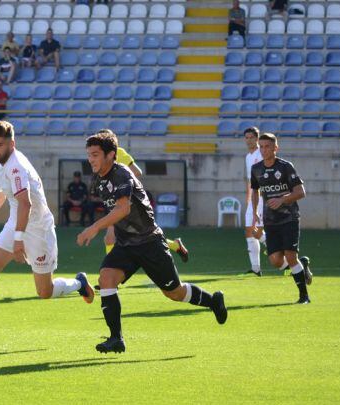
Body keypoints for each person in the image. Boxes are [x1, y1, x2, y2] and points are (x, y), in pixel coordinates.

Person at [77, 130, 227, 353]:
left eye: (95, 154)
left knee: (174, 293)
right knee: (106, 278)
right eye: (89, 155)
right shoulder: (98, 179)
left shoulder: (122, 174)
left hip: (149, 242)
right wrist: (110, 229)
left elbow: (123, 208)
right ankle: (116, 338)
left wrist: (95, 227)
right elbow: (114, 210)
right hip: (126, 244)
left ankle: (213, 301)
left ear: (111, 154)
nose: (91, 160)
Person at [0, 121, 94, 340]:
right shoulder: (0, 165)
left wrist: (19, 241)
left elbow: (26, 204)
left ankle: (79, 283)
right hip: (15, 223)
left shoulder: (16, 166)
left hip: (38, 230)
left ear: (12, 143)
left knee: (44, 292)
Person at [100, 134, 189, 262]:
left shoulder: (119, 152)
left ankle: (110, 270)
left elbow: (137, 172)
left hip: (128, 201)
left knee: (111, 237)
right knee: (140, 235)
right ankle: (175, 245)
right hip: (117, 201)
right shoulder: (102, 158)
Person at [250, 133, 312, 304]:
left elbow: (301, 192)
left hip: (289, 218)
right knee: (276, 261)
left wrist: (282, 199)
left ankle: (304, 296)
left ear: (275, 148)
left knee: (291, 257)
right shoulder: (256, 169)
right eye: (261, 146)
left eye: (267, 146)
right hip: (270, 220)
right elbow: (255, 190)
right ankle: (302, 267)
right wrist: (255, 211)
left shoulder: (286, 167)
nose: (263, 150)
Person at [242, 127, 265, 276]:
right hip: (254, 197)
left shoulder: (262, 154)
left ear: (257, 138)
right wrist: (248, 196)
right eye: (246, 137)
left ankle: (287, 260)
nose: (249, 140)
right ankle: (256, 268)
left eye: (251, 137)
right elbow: (250, 179)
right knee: (249, 231)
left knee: (257, 230)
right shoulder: (248, 157)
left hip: (263, 196)